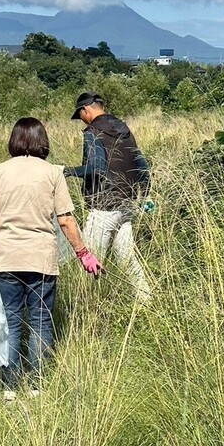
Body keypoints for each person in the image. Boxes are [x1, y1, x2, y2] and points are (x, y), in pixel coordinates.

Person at [0, 118, 102, 390]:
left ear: (14, 140)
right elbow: (66, 220)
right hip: (42, 259)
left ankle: (9, 387)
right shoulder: (52, 173)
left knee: (10, 323)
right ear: (42, 140)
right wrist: (83, 253)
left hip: (7, 259)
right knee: (40, 323)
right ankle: (37, 386)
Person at [61, 92, 152, 302]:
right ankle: (146, 301)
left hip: (103, 206)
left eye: (80, 115)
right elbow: (141, 164)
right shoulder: (124, 129)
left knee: (89, 258)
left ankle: (90, 308)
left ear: (86, 110)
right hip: (127, 202)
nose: (81, 120)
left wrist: (66, 171)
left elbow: (96, 168)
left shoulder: (92, 132)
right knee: (127, 258)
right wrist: (145, 194)